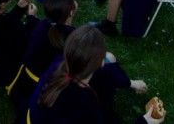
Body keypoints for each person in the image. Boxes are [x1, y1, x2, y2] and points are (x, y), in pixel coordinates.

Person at [9, 0, 147, 123]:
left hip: (26, 95)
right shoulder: (84, 101)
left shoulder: (56, 60)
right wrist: (146, 120)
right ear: (70, 11)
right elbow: (106, 75)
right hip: (39, 89)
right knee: (110, 62)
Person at [28, 25, 164, 124]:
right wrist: (145, 121)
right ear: (101, 62)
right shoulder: (85, 104)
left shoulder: (60, 63)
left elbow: (106, 72)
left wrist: (130, 83)